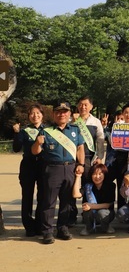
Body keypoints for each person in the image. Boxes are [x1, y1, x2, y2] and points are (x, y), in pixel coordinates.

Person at [31, 101, 85, 244]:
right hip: (52, 169)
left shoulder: (75, 129)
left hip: (70, 168)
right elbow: (35, 151)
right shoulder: (46, 131)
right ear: (54, 114)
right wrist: (37, 143)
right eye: (58, 112)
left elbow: (80, 148)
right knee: (48, 201)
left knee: (67, 201)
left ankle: (62, 227)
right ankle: (47, 231)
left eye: (65, 111)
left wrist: (81, 164)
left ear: (69, 114)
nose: (62, 114)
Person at [12, 103, 45, 236]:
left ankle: (39, 224)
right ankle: (29, 226)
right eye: (32, 113)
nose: (35, 116)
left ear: (42, 115)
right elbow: (16, 148)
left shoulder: (48, 130)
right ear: (28, 116)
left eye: (38, 113)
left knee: (43, 196)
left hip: (43, 166)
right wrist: (16, 133)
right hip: (28, 165)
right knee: (27, 196)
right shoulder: (24, 131)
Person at [80, 163, 116, 236]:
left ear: (104, 174)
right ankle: (88, 228)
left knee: (102, 213)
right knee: (87, 211)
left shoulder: (110, 185)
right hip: (90, 214)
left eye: (100, 174)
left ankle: (106, 227)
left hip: (105, 212)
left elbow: (108, 205)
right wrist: (78, 176)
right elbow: (76, 195)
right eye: (94, 174)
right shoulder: (87, 186)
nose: (97, 177)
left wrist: (91, 206)